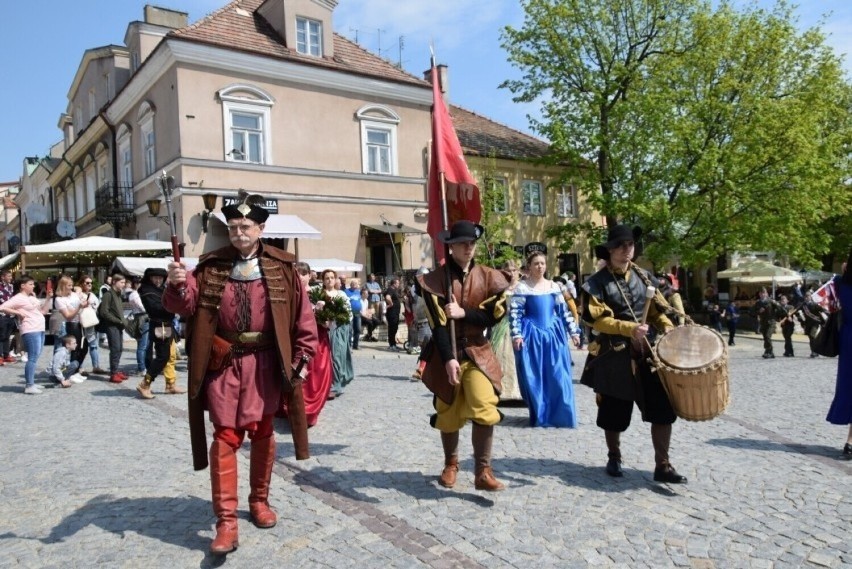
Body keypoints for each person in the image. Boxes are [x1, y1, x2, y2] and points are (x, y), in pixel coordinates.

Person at [163, 190, 317, 555]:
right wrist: (177, 282)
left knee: (263, 433)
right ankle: (226, 522)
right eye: (233, 226)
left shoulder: (284, 268)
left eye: (245, 226)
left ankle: (259, 501)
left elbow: (303, 319)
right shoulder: (211, 265)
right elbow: (184, 306)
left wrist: (302, 358)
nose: (239, 233)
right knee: (226, 437)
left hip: (266, 364)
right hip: (225, 364)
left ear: (261, 228)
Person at [580, 224, 685, 483]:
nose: (626, 249)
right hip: (614, 354)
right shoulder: (596, 284)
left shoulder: (645, 277)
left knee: (662, 408)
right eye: (620, 245)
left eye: (630, 245)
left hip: (647, 352)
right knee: (613, 411)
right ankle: (614, 456)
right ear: (609, 250)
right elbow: (598, 321)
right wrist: (629, 328)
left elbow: (657, 311)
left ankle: (663, 464)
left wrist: (668, 327)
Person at [417, 220, 510, 491]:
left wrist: (463, 313)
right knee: (448, 411)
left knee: (484, 406)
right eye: (462, 243)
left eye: (472, 243)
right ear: (451, 246)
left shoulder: (489, 276)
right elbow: (438, 325)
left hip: (478, 352)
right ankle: (451, 464)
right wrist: (448, 359)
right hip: (448, 353)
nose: (468, 247)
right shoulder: (435, 281)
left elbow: (494, 316)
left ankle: (483, 471)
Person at [511, 252, 582, 427]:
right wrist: (517, 334)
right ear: (529, 266)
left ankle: (561, 415)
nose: (540, 266)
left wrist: (574, 332)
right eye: (536, 263)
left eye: (542, 263)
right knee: (534, 375)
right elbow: (515, 314)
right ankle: (540, 414)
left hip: (553, 335)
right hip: (532, 335)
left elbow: (563, 312)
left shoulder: (553, 286)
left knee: (558, 374)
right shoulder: (522, 287)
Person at [281, 262, 331, 426]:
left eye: (303, 273)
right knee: (296, 372)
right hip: (295, 339)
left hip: (317, 340)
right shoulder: (289, 294)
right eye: (297, 273)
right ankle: (294, 408)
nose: (300, 277)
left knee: (315, 375)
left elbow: (329, 322)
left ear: (310, 275)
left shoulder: (319, 295)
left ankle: (310, 411)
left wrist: (320, 314)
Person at [136, 268, 185, 399]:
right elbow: (157, 308)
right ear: (150, 278)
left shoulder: (161, 289)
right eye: (155, 278)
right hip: (160, 326)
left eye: (160, 278)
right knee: (163, 356)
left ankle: (170, 385)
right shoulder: (146, 291)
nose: (158, 280)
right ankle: (145, 384)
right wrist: (175, 305)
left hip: (167, 325)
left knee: (171, 355)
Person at [0, 276, 52, 394]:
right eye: (30, 284)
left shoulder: (32, 297)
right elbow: (2, 307)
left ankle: (31, 382)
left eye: (33, 284)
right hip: (30, 329)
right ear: (22, 285)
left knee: (36, 356)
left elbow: (43, 312)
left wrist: (48, 299)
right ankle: (29, 385)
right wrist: (18, 312)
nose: (33, 286)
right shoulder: (18, 298)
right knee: (32, 357)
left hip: (40, 328)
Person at [826, 251, 852, 459]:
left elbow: (823, 303)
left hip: (848, 339)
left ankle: (850, 441)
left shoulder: (840, 283)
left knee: (849, 386)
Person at [490, 259, 522, 400]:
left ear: (518, 272)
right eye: (508, 270)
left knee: (517, 358)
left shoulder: (523, 287)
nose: (511, 273)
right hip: (502, 325)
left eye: (514, 270)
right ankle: (501, 389)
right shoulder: (500, 288)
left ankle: (519, 390)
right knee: (500, 356)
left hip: (519, 325)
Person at [319, 269, 353, 399]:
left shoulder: (341, 295)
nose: (329, 280)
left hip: (338, 329)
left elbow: (348, 313)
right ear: (323, 280)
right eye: (327, 278)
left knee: (337, 356)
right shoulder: (320, 295)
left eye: (332, 277)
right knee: (326, 359)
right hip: (323, 330)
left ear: (335, 279)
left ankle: (336, 385)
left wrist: (339, 320)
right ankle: (327, 384)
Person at [97, 273, 129, 383]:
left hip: (118, 325)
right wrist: (118, 321)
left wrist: (122, 321)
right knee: (115, 349)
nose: (123, 285)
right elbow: (104, 312)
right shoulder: (108, 294)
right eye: (122, 282)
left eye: (124, 282)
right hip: (112, 326)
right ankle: (113, 373)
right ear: (114, 282)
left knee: (119, 349)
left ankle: (116, 370)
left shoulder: (118, 294)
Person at [76, 275, 107, 375]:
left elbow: (97, 308)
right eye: (87, 283)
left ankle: (96, 366)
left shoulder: (93, 295)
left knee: (94, 345)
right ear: (81, 283)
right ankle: (79, 367)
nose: (89, 284)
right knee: (81, 346)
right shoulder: (78, 294)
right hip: (81, 323)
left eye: (91, 283)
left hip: (92, 323)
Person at [751, 288, 786, 359]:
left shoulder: (771, 301)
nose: (763, 295)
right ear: (759, 294)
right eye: (761, 293)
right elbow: (752, 312)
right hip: (763, 322)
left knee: (767, 336)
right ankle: (768, 351)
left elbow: (780, 309)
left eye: (764, 293)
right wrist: (759, 311)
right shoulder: (758, 303)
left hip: (771, 322)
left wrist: (780, 317)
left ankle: (770, 351)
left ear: (766, 294)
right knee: (765, 338)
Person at [127, 276, 149, 375]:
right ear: (135, 284)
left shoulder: (136, 294)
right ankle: (141, 367)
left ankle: (143, 366)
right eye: (139, 283)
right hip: (141, 318)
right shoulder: (134, 294)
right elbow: (142, 307)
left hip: (142, 317)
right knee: (142, 345)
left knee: (145, 344)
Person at [798, 292, 827, 358]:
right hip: (807, 324)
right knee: (811, 338)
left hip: (815, 323)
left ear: (811, 297)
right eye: (806, 296)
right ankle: (814, 351)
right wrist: (801, 320)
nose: (807, 297)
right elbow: (798, 313)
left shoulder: (815, 304)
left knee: (812, 335)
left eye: (808, 296)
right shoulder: (803, 306)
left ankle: (814, 351)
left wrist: (827, 314)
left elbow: (822, 310)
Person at [0, 270, 17, 364]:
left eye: (11, 276)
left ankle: (6, 355)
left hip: (10, 314)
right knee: (1, 336)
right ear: (3, 277)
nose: (10, 278)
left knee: (7, 336)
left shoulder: (11, 286)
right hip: (1, 314)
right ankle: (0, 356)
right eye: (9, 276)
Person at [344, 278, 362, 350]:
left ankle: (356, 345)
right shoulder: (346, 291)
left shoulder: (358, 291)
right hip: (349, 313)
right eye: (354, 284)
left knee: (358, 329)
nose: (356, 285)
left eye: (357, 284)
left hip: (357, 313)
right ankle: (349, 346)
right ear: (351, 284)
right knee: (350, 330)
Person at [384, 277, 402, 351]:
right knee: (392, 329)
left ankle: (394, 344)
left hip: (395, 313)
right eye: (398, 283)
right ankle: (391, 345)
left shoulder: (394, 290)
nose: (399, 284)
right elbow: (387, 297)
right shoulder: (390, 289)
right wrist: (391, 304)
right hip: (392, 313)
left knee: (394, 328)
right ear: (394, 283)